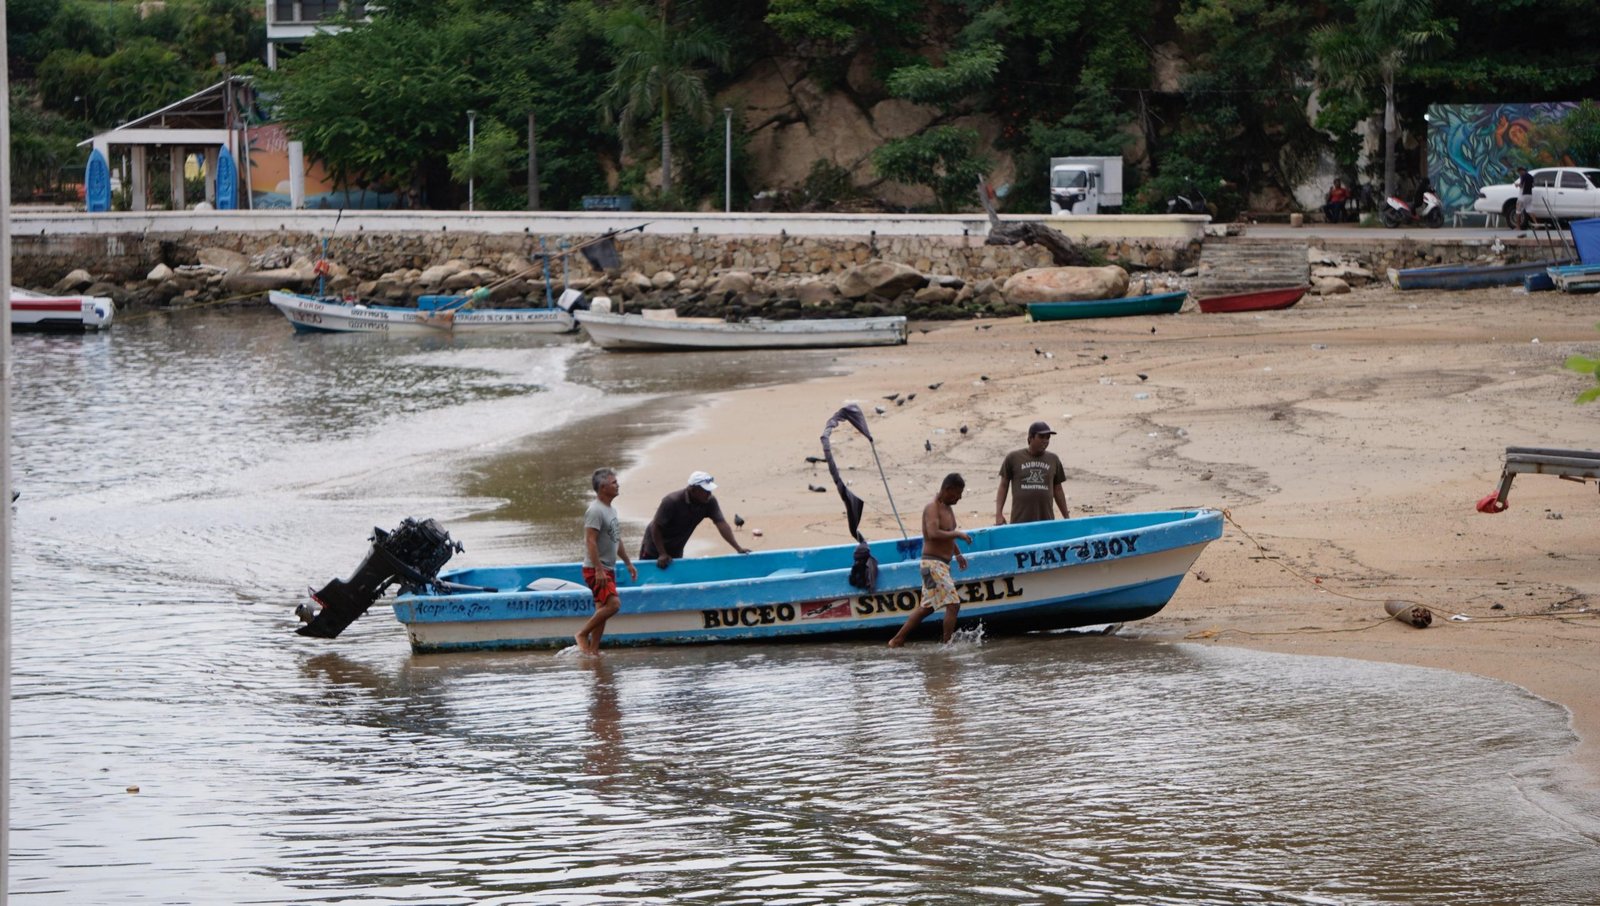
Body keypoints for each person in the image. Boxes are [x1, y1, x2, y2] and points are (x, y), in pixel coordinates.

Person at [888, 473, 972, 647]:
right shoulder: (932, 508)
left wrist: (957, 554)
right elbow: (933, 533)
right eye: (957, 493)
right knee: (953, 604)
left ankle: (897, 640)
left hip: (939, 566)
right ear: (948, 489)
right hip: (933, 565)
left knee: (928, 607)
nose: (959, 498)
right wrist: (958, 534)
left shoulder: (948, 509)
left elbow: (947, 535)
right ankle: (948, 646)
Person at [576, 467, 636, 654]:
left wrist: (627, 562)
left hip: (608, 568)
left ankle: (593, 651)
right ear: (603, 487)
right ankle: (582, 634)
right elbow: (590, 541)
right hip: (596, 569)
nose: (618, 485)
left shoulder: (611, 510)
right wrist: (599, 570)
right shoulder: (595, 510)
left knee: (601, 610)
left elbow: (616, 539)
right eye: (614, 482)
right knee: (613, 605)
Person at [639, 470, 749, 569]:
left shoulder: (709, 502)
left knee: (674, 577)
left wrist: (738, 548)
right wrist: (662, 553)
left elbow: (721, 523)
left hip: (677, 547)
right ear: (693, 490)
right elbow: (656, 527)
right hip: (654, 546)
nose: (709, 494)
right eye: (706, 491)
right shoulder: (672, 501)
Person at [995, 421, 1070, 525]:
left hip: (1046, 521)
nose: (1045, 441)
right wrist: (998, 513)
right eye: (1041, 437)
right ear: (1030, 438)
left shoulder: (1053, 459)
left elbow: (1058, 489)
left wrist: (1067, 518)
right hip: (1020, 522)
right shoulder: (1013, 458)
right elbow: (1003, 486)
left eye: (1048, 438)